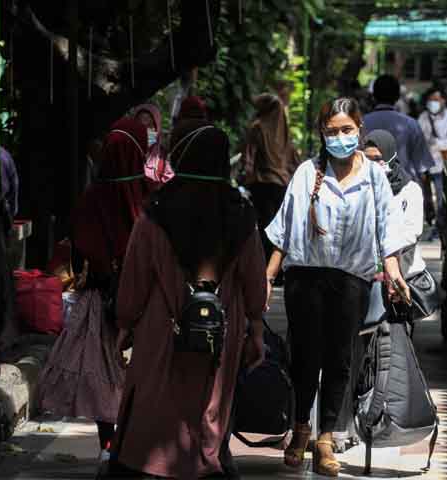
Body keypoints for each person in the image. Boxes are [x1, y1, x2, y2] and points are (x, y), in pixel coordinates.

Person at [108, 119, 266, 478]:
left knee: (159, 405)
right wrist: (255, 329)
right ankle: (202, 463)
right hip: (220, 335)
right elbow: (254, 281)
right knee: (208, 409)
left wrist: (125, 324)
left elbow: (134, 280)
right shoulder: (241, 213)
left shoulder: (155, 211)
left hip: (161, 330)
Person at [265, 98, 411, 477]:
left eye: (347, 130)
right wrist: (265, 278)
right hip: (305, 280)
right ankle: (300, 429)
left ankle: (326, 437)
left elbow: (387, 227)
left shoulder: (374, 176)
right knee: (305, 357)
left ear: (359, 130)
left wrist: (394, 271)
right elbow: (284, 230)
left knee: (339, 360)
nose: (341, 138)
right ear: (322, 134)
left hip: (352, 281)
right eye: (332, 131)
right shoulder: (305, 173)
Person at [38, 118, 151, 458]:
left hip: (102, 300)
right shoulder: (150, 196)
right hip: (146, 301)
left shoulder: (91, 198)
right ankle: (138, 439)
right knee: (141, 371)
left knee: (106, 370)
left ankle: (107, 441)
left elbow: (80, 245)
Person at [242, 93, 299, 262]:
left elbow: (248, 156)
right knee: (279, 227)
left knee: (263, 226)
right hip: (282, 184)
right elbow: (294, 159)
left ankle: (263, 265)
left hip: (261, 183)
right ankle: (278, 267)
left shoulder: (257, 127)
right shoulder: (284, 131)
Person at [363, 129, 426, 280]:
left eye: (377, 159)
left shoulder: (410, 190)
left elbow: (412, 232)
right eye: (367, 159)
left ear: (390, 157)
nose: (372, 165)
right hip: (365, 275)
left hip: (405, 274)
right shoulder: (358, 188)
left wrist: (384, 251)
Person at [363, 74, 434, 181]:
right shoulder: (410, 124)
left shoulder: (361, 124)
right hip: (404, 190)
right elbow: (422, 167)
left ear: (374, 96)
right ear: (397, 97)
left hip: (370, 190)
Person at [418, 88, 447, 241]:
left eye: (436, 99)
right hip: (424, 164)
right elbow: (418, 137)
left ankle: (439, 228)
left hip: (442, 163)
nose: (433, 103)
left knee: (442, 198)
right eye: (431, 99)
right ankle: (430, 222)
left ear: (443, 100)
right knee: (425, 197)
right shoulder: (423, 117)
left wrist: (435, 144)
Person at [133, 103, 174, 185]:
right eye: (141, 127)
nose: (146, 132)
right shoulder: (126, 152)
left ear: (157, 127)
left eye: (150, 127)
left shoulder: (163, 155)